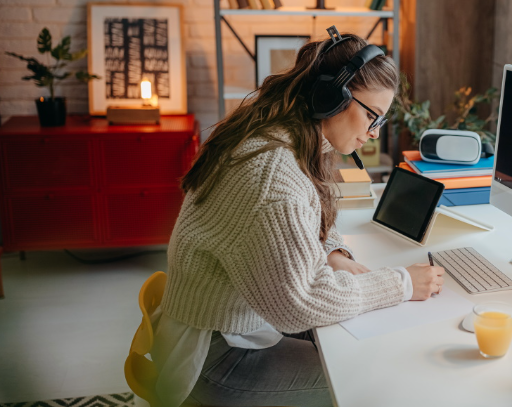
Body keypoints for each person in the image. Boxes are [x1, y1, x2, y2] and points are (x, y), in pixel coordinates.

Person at [150, 31, 445, 407]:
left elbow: (309, 215)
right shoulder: (274, 173)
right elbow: (302, 303)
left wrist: (334, 253)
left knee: (361, 334)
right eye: (371, 115)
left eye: (381, 120)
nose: (372, 134)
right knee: (371, 375)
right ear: (331, 97)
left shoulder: (285, 134)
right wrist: (401, 283)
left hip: (238, 324)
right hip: (214, 354)